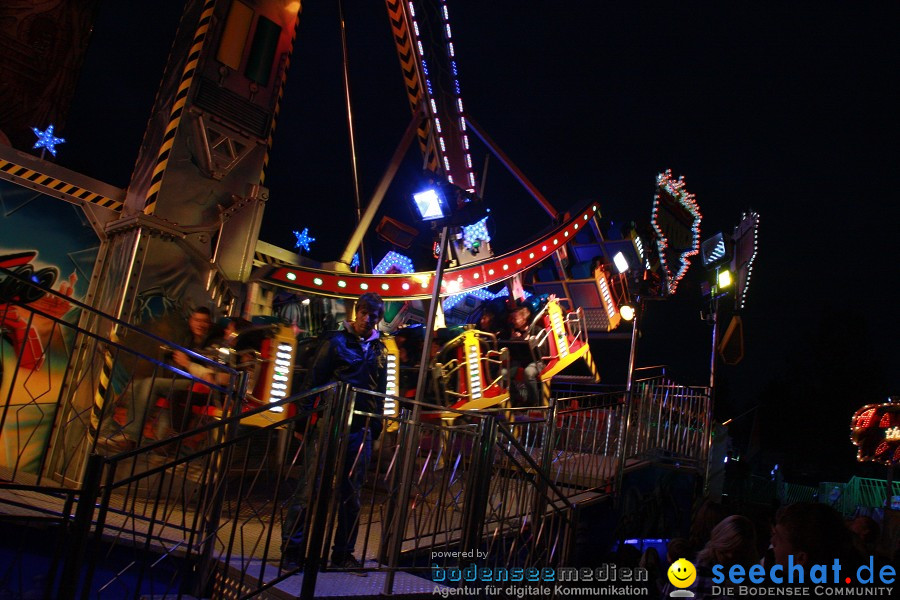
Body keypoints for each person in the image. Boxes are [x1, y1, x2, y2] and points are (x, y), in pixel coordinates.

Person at [282, 292, 387, 574]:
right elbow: (313, 380)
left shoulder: (380, 350)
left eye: (373, 313)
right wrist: (304, 423)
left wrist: (374, 426)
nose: (368, 317)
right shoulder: (335, 341)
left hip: (359, 429)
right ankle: (292, 549)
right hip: (330, 423)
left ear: (379, 316)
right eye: (365, 311)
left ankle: (342, 552)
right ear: (357, 311)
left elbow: (380, 391)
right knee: (309, 487)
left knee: (351, 494)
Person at [99, 306, 215, 451]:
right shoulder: (186, 338)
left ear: (209, 324)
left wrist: (187, 362)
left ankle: (131, 437)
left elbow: (209, 372)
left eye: (204, 321)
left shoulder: (211, 343)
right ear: (191, 321)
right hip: (178, 379)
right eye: (197, 320)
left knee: (149, 383)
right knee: (137, 385)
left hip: (196, 384)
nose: (200, 324)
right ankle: (124, 434)